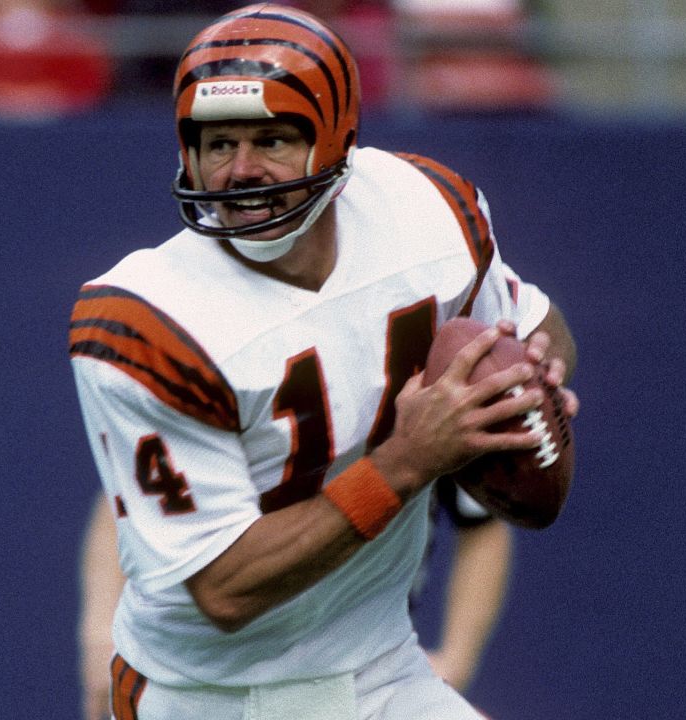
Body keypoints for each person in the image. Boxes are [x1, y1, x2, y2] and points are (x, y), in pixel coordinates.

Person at [67, 4, 578, 718]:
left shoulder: (424, 209)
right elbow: (224, 588)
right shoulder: (149, 319)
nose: (241, 171)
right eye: (217, 145)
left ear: (336, 137)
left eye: (272, 139)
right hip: (210, 697)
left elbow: (539, 326)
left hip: (381, 669)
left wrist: (527, 372)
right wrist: (409, 460)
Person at [77, 483, 512, 720]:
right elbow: (131, 501)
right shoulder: (222, 349)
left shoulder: (422, 349)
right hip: (208, 679)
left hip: (365, 666)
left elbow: (482, 523)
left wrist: (458, 657)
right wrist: (100, 635)